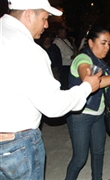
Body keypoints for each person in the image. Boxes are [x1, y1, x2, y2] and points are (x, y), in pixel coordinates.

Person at [0, 0, 102, 179]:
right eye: (44, 18)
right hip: (17, 146)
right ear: (29, 14)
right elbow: (53, 106)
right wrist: (86, 88)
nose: (47, 25)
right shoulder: (28, 49)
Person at [65, 26, 110, 180]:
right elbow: (91, 81)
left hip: (98, 114)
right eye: (103, 43)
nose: (107, 47)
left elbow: (102, 83)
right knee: (79, 159)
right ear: (91, 43)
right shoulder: (83, 59)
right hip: (81, 116)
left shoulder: (99, 61)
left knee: (98, 153)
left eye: (109, 44)